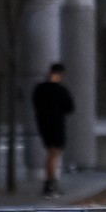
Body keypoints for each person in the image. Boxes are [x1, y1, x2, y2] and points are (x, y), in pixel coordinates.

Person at [32, 63, 74, 197]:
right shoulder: (61, 90)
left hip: (43, 124)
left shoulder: (39, 88)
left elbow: (36, 104)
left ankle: (51, 182)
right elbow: (70, 107)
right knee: (53, 154)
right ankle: (49, 183)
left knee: (51, 153)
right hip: (56, 124)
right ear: (60, 74)